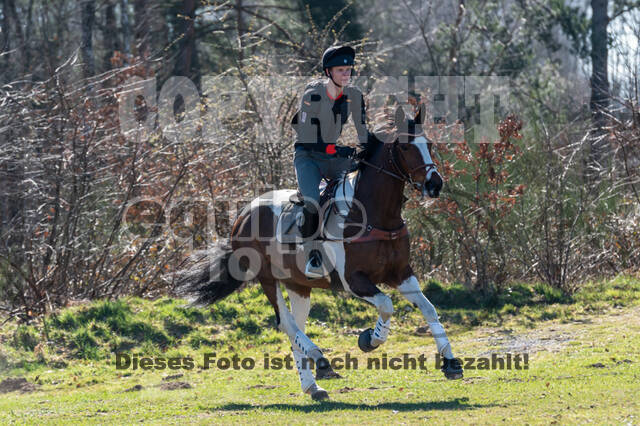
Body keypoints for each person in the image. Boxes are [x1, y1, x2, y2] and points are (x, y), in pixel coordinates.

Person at [291, 45, 372, 278]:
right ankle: (312, 255)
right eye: (341, 70)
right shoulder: (313, 94)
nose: (346, 75)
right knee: (312, 201)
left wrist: (371, 151)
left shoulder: (354, 96)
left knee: (366, 185)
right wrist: (336, 149)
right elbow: (307, 138)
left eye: (349, 70)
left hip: (334, 157)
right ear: (328, 72)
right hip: (308, 157)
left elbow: (363, 132)